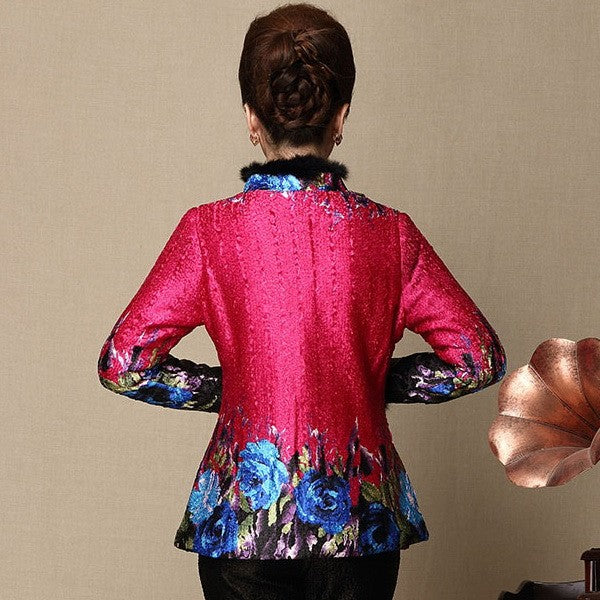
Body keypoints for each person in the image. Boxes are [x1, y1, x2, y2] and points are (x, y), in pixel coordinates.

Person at [97, 3, 507, 599]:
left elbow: (124, 364)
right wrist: (372, 380)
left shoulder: (207, 233)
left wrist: (228, 390)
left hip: (241, 523)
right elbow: (479, 358)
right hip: (358, 524)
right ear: (341, 116)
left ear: (251, 117)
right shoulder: (390, 234)